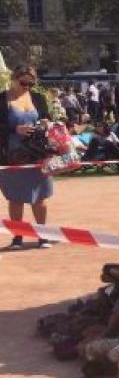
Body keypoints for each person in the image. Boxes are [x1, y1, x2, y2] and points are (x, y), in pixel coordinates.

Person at [1, 66, 54, 249]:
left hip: (38, 153)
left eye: (31, 83)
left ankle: (43, 236)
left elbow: (48, 118)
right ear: (13, 79)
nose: (27, 86)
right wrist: (14, 129)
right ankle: (18, 237)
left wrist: (47, 122)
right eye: (23, 82)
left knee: (41, 197)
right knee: (15, 198)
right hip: (12, 155)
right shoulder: (2, 99)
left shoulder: (38, 98)